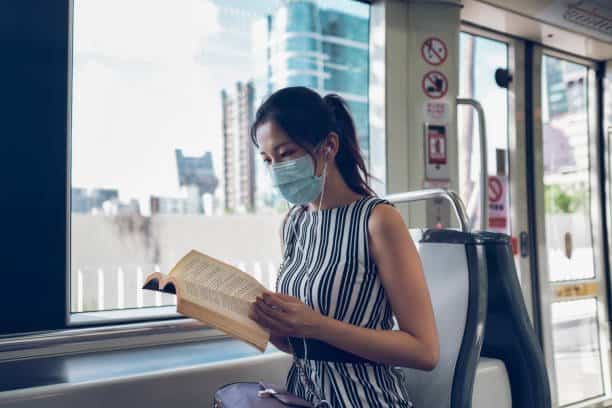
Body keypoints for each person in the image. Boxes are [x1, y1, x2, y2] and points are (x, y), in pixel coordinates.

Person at [248, 86, 438, 407]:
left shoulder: (378, 220)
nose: (276, 169)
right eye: (268, 159)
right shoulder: (294, 223)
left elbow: (424, 351)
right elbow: (304, 345)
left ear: (329, 146)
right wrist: (272, 327)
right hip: (303, 397)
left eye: (286, 154)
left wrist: (317, 326)